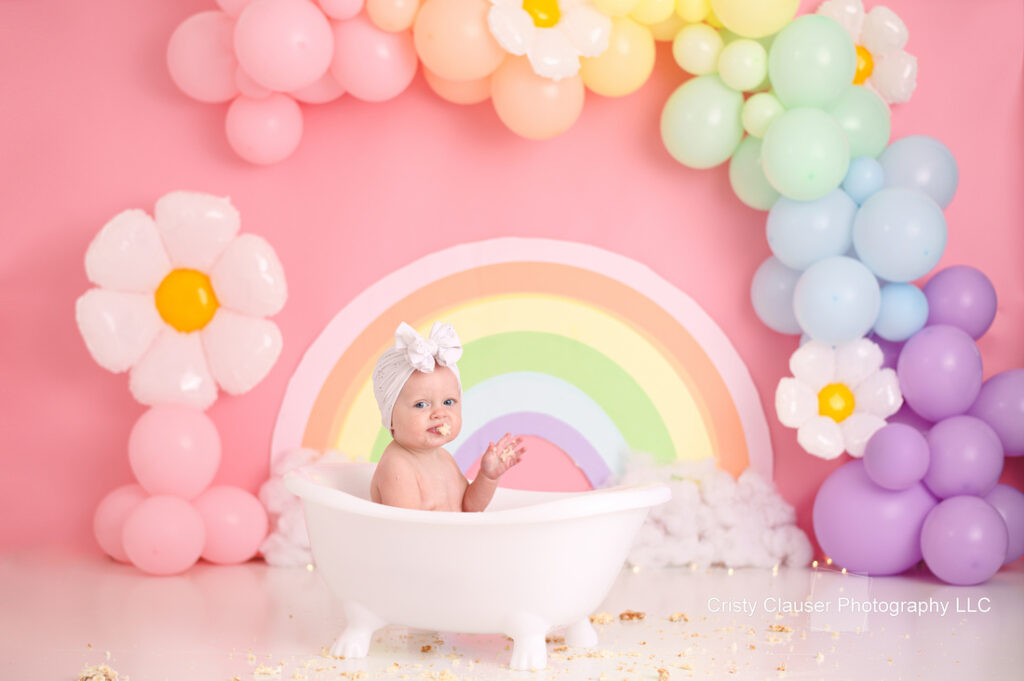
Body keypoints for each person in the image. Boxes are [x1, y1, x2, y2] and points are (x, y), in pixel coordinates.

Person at [370, 321, 525, 511]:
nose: (439, 413)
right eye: (421, 404)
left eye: (448, 402)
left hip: (453, 539)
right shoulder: (398, 467)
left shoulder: (444, 459)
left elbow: (468, 508)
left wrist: (487, 477)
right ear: (390, 417)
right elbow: (408, 532)